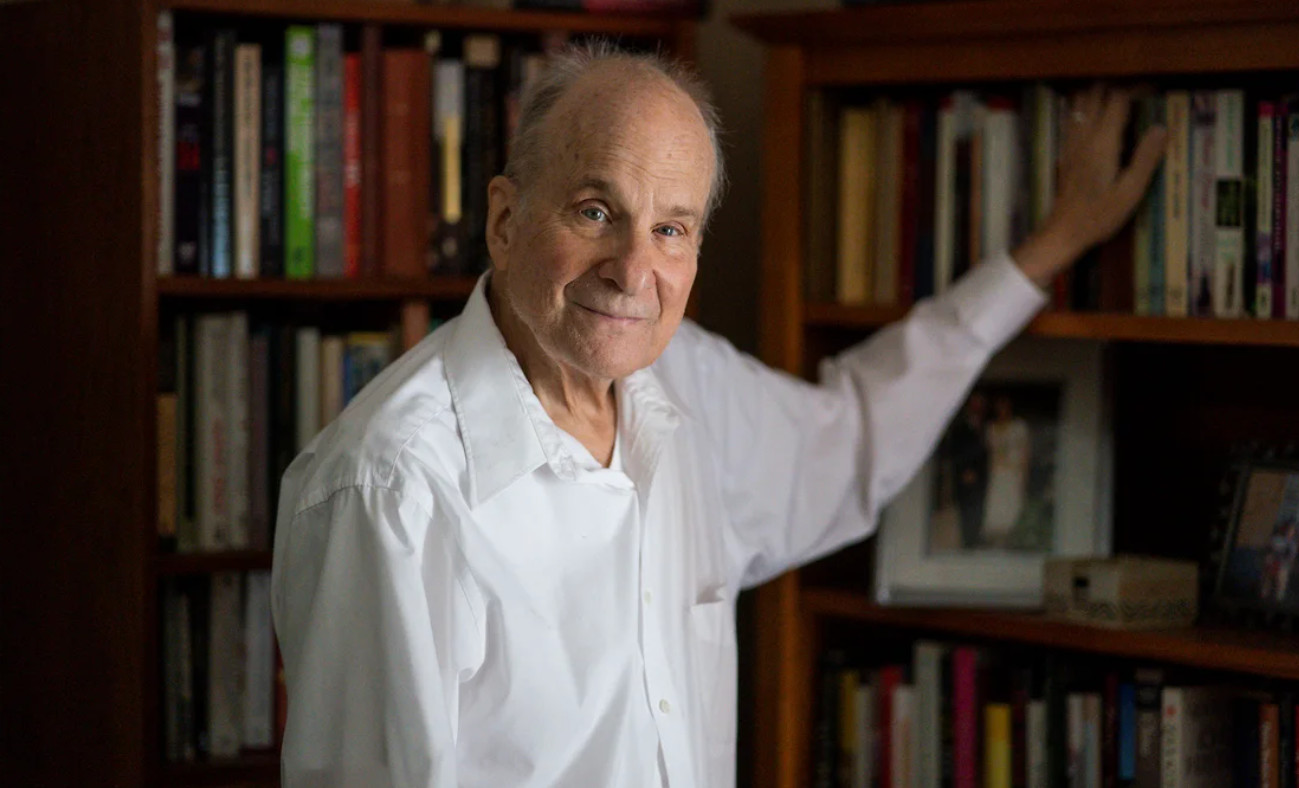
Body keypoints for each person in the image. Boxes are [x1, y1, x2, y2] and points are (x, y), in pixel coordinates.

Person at [271, 42, 1166, 788]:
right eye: (595, 211)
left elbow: (855, 439)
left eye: (671, 229)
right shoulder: (391, 489)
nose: (633, 270)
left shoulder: (686, 385)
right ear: (504, 220)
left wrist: (1054, 245)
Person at [982, 394, 1031, 545]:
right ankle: (997, 540)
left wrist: (1024, 475)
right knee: (997, 504)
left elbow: (1025, 452)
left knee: (1013, 504)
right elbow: (990, 453)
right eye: (999, 407)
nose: (1002, 410)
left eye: (1004, 406)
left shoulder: (1019, 426)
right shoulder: (991, 428)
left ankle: (1013, 537)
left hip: (1014, 473)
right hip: (997, 473)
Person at [947, 392, 990, 549]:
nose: (978, 408)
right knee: (966, 508)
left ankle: (977, 538)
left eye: (980, 405)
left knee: (980, 507)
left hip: (983, 475)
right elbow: (955, 450)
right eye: (975, 405)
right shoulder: (960, 427)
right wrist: (965, 470)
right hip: (966, 475)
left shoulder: (986, 425)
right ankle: (968, 541)